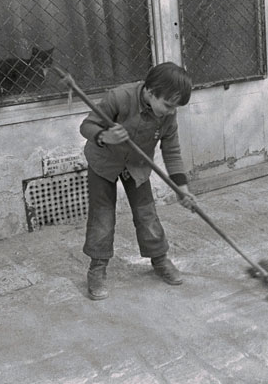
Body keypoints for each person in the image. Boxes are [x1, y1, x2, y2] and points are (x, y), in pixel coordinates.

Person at [79, 61, 198, 300]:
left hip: (137, 167)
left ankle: (159, 259)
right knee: (102, 217)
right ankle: (97, 268)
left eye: (175, 107)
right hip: (104, 163)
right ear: (151, 91)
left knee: (147, 214)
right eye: (167, 105)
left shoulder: (167, 116)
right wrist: (105, 136)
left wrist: (181, 188)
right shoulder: (119, 98)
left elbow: (171, 151)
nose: (170, 111)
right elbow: (87, 126)